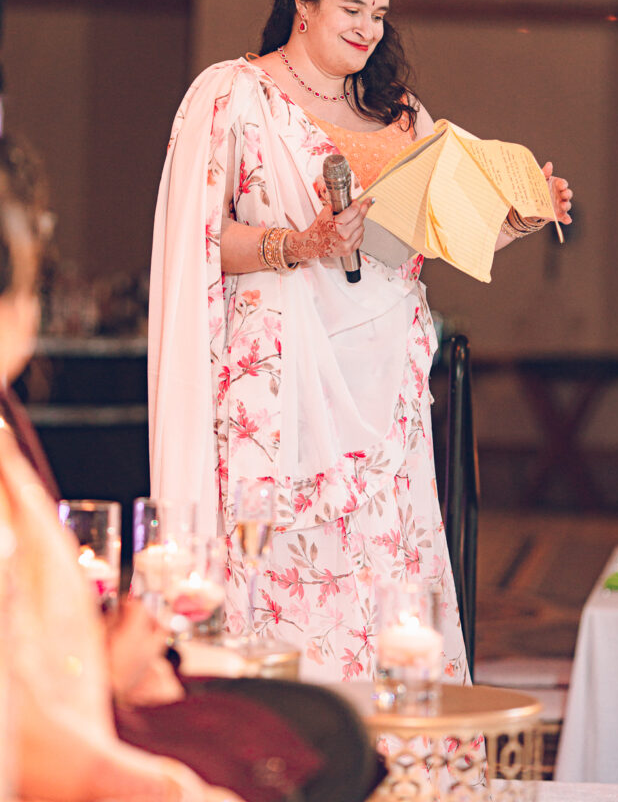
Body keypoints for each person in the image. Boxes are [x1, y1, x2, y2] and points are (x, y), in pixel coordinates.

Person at [148, 0, 573, 684]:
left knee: (387, 567)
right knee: (278, 564)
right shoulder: (233, 96)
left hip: (384, 386)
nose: (368, 29)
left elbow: (429, 241)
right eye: (353, 7)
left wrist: (518, 217)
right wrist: (300, 244)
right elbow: (197, 240)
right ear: (302, 4)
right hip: (277, 378)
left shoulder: (400, 112)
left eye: (379, 13)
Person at [0, 136, 382, 802]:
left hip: (91, 702)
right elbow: (34, 739)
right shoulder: (227, 102)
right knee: (321, 746)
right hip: (70, 752)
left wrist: (117, 651)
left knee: (332, 728)